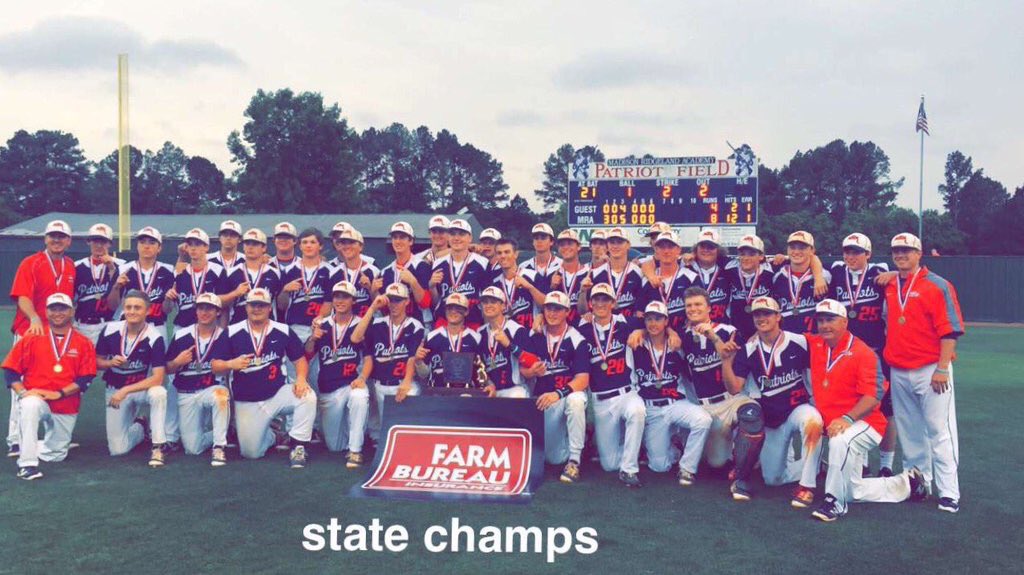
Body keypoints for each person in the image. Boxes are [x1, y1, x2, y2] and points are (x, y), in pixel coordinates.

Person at [807, 299, 927, 522]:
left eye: (830, 320)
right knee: (853, 490)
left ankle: (834, 502)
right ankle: (908, 484)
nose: (824, 325)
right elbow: (783, 338)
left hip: (867, 423)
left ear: (844, 322)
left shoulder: (863, 353)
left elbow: (872, 397)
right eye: (821, 321)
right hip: (840, 423)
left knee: (840, 441)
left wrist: (847, 418)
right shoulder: (816, 344)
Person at [883, 232, 965, 513]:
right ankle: (919, 484)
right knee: (910, 433)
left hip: (931, 369)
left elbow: (951, 330)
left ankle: (949, 492)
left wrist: (943, 367)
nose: (901, 254)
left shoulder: (938, 285)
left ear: (919, 254)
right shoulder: (891, 285)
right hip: (899, 369)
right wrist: (891, 275)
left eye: (907, 250)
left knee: (940, 431)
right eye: (896, 251)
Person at [718, 296, 823, 508]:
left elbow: (816, 373)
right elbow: (734, 388)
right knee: (772, 479)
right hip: (771, 418)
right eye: (757, 315)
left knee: (813, 422)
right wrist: (726, 362)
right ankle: (814, 465)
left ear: (778, 317)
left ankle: (807, 486)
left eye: (767, 313)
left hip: (797, 408)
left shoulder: (799, 341)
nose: (762, 318)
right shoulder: (748, 349)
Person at [210, 288, 315, 468]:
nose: (256, 309)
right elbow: (214, 366)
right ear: (246, 307)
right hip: (248, 400)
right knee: (251, 453)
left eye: (262, 305)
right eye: (253, 305)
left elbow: (300, 360)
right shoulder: (232, 331)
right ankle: (272, 435)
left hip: (277, 394)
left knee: (307, 395)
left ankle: (298, 445)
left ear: (269, 308)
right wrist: (230, 365)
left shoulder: (282, 330)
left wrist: (301, 378)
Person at [683, 287, 765, 501]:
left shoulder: (728, 330)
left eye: (698, 304)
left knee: (751, 413)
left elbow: (727, 356)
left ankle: (742, 478)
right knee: (717, 463)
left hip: (732, 399)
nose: (693, 309)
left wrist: (712, 336)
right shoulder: (683, 337)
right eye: (689, 305)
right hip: (706, 407)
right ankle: (738, 452)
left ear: (709, 307)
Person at [3, 293, 96, 480]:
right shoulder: (32, 337)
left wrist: (58, 394)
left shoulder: (83, 342)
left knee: (55, 456)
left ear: (72, 311)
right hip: (38, 400)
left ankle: (37, 443)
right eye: (53, 308)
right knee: (30, 405)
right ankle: (27, 464)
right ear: (46, 311)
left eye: (63, 308)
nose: (58, 313)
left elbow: (85, 379)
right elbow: (10, 371)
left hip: (66, 404)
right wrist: (24, 393)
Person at [829, 232, 896, 476]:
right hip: (847, 355)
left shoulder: (880, 273)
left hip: (877, 354)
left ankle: (887, 465)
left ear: (868, 254)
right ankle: (863, 461)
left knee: (886, 410)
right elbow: (812, 262)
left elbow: (909, 274)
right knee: (854, 405)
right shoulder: (836, 272)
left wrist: (895, 274)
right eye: (847, 251)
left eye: (857, 252)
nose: (851, 256)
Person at [628, 300, 711, 486]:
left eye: (658, 318)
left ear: (666, 321)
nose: (653, 323)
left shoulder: (677, 343)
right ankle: (674, 445)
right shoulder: (637, 343)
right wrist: (638, 331)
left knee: (703, 419)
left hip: (675, 404)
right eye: (649, 319)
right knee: (659, 466)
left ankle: (687, 468)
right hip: (652, 409)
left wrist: (673, 333)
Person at [578, 283, 645, 487]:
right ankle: (630, 446)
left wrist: (640, 330)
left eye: (605, 299)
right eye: (596, 299)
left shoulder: (625, 322)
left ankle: (630, 469)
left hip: (626, 392)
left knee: (637, 410)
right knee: (609, 465)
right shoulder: (582, 328)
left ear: (613, 303)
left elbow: (654, 323)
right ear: (590, 303)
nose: (600, 303)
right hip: (601, 399)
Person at [95, 290, 169, 467]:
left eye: (137, 307)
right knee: (117, 450)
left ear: (148, 311)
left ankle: (158, 446)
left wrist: (126, 390)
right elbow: (96, 362)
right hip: (115, 389)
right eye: (128, 307)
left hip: (139, 389)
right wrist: (110, 363)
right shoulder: (110, 329)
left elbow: (158, 378)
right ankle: (141, 426)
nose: (132, 311)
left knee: (158, 393)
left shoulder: (155, 337)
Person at [526, 291, 590, 483]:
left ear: (567, 312)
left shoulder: (576, 339)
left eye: (558, 309)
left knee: (576, 399)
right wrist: (532, 372)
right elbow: (524, 370)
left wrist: (559, 393)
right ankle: (574, 441)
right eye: (549, 308)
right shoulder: (535, 335)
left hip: (565, 393)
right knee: (553, 458)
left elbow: (582, 379)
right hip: (544, 400)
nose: (552, 313)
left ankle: (575, 460)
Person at [306, 281, 371, 468]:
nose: (340, 300)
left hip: (351, 384)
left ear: (353, 300)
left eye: (345, 297)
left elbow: (368, 358)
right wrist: (312, 338)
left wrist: (362, 378)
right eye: (337, 296)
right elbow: (308, 353)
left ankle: (355, 450)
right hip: (328, 388)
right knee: (334, 446)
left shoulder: (361, 325)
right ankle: (352, 434)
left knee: (360, 396)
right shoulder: (322, 325)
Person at [350, 283, 425, 439]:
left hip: (402, 384)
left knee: (403, 431)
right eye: (390, 300)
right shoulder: (377, 324)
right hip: (379, 385)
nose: (393, 304)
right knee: (379, 435)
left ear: (407, 301)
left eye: (398, 300)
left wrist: (406, 381)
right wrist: (372, 308)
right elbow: (355, 338)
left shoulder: (415, 326)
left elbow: (412, 357)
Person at [164, 292, 230, 466]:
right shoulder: (181, 335)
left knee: (221, 395)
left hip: (211, 389)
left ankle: (219, 446)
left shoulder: (225, 337)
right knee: (192, 449)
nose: (205, 312)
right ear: (196, 311)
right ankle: (223, 432)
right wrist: (177, 362)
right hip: (187, 392)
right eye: (201, 308)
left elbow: (230, 372)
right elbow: (166, 368)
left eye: (210, 309)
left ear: (218, 312)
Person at [428, 219, 491, 328]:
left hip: (472, 322)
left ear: (470, 237)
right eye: (452, 234)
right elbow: (436, 302)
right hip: (445, 322)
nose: (456, 238)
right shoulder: (438, 264)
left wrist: (487, 327)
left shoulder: (483, 263)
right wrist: (432, 286)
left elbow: (487, 300)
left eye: (461, 234)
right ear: (448, 237)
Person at [477, 286, 537, 398]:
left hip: (514, 389)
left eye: (493, 302)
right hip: (492, 390)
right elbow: (479, 366)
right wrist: (488, 383)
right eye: (485, 302)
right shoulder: (480, 333)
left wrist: (509, 345)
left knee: (517, 395)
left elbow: (533, 361)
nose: (488, 305)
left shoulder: (516, 330)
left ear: (503, 306)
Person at [416, 293, 484, 388]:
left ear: (466, 311)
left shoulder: (476, 338)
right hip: (437, 393)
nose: (453, 312)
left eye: (458, 309)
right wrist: (419, 362)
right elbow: (424, 374)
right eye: (449, 308)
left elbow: (481, 371)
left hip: (467, 394)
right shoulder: (431, 337)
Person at [72, 223, 124, 344]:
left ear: (110, 243)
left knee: (107, 362)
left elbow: (117, 302)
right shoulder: (76, 266)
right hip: (81, 325)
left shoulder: (121, 265)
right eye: (95, 241)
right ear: (88, 242)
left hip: (109, 324)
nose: (99, 245)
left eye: (103, 241)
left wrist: (112, 269)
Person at [771, 230, 831, 333]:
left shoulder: (825, 276)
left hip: (816, 339)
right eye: (792, 247)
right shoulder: (777, 275)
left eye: (802, 248)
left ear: (812, 250)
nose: (796, 251)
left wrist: (818, 277)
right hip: (786, 338)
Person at [167, 228, 227, 329]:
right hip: (182, 327)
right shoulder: (179, 271)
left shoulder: (218, 271)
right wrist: (167, 299)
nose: (193, 248)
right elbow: (167, 309)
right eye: (190, 244)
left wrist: (222, 330)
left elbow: (224, 307)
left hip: (210, 328)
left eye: (198, 244)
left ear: (206, 247)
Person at [581, 227, 645, 319]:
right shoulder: (595, 273)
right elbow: (583, 310)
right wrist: (583, 291)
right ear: (607, 245)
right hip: (603, 327)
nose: (615, 246)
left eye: (619, 242)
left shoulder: (639, 273)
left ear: (628, 245)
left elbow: (640, 310)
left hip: (630, 327)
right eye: (612, 242)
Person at [638, 232, 697, 332]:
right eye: (662, 247)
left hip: (684, 334)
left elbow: (699, 308)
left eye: (670, 247)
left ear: (678, 250)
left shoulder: (691, 277)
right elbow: (639, 312)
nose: (666, 251)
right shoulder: (646, 279)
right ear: (656, 249)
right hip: (656, 338)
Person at [377, 222, 433, 325]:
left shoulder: (422, 266)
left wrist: (413, 282)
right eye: (395, 237)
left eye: (402, 237)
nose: (398, 241)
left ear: (411, 241)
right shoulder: (386, 271)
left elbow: (425, 303)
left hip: (420, 323)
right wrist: (373, 290)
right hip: (394, 325)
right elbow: (382, 307)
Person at [223, 229, 283, 324]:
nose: (250, 247)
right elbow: (220, 304)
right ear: (243, 246)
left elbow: (281, 305)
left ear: (264, 248)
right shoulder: (230, 272)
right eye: (247, 244)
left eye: (255, 244)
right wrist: (235, 293)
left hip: (267, 327)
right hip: (238, 327)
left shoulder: (275, 273)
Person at [723, 234, 774, 342]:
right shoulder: (729, 269)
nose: (746, 258)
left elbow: (811, 258)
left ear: (761, 256)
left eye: (751, 254)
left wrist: (818, 276)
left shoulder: (771, 271)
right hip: (736, 331)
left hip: (763, 331)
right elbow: (705, 258)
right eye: (742, 254)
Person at [491, 238, 545, 330]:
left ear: (516, 254)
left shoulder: (532, 275)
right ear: (496, 256)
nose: (503, 256)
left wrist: (529, 287)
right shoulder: (494, 282)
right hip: (504, 335)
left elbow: (546, 304)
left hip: (529, 332)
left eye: (507, 252)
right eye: (499, 253)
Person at [328, 228, 379, 317]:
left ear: (361, 246)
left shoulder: (374, 271)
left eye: (351, 242)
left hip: (367, 325)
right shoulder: (333, 273)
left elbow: (381, 307)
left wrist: (370, 289)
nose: (347, 246)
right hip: (342, 327)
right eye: (343, 243)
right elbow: (329, 304)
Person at [552, 229, 590, 326]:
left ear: (579, 246)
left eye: (570, 243)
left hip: (582, 327)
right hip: (558, 328)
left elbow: (587, 312)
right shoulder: (551, 274)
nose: (566, 247)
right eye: (562, 244)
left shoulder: (590, 273)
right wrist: (551, 288)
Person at [519, 223, 563, 295]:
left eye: (543, 238)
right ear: (533, 242)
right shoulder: (523, 267)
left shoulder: (561, 265)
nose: (539, 241)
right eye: (536, 238)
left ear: (551, 242)